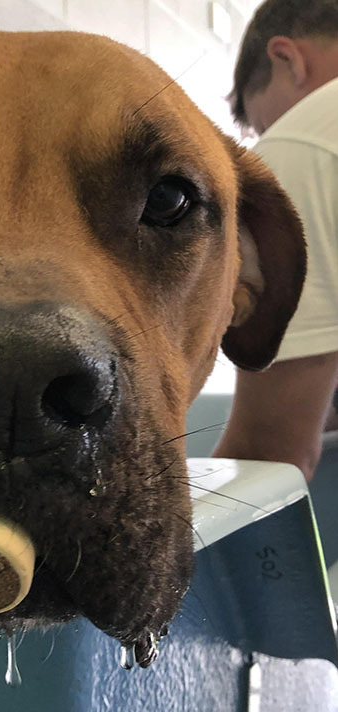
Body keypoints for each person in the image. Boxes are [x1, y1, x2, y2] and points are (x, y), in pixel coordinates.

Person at [213, 0, 338, 482]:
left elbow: (270, 455)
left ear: (288, 59)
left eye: (264, 127)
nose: (269, 140)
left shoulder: (301, 143)